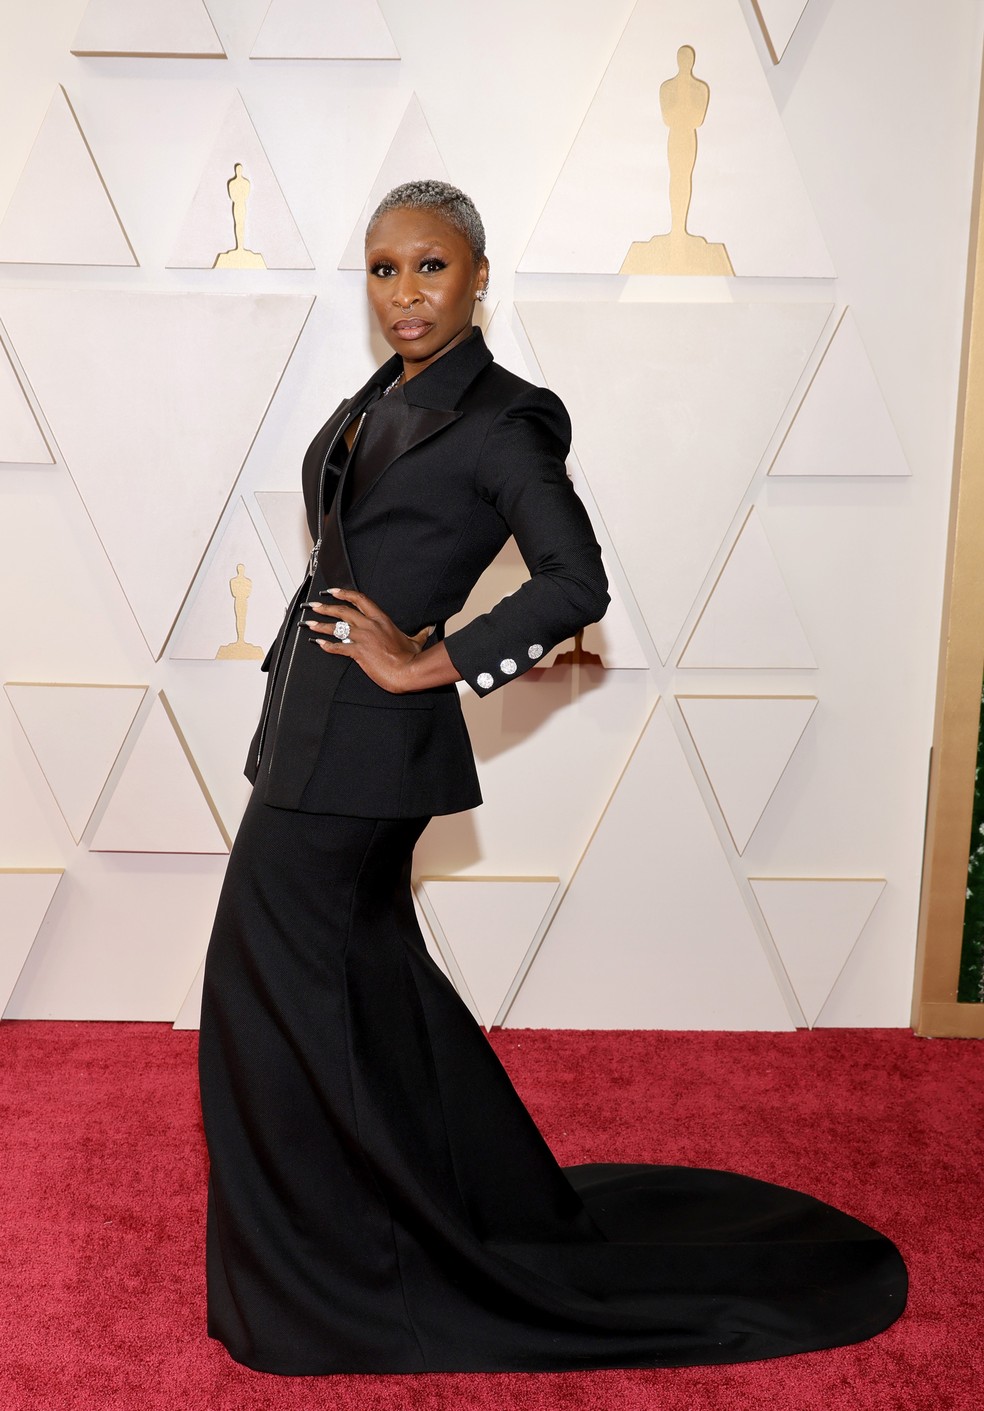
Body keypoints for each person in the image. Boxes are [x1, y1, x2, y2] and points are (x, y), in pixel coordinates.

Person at [198, 180, 906, 1375]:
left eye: (429, 268)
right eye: (382, 270)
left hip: (360, 761)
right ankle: (448, 1196)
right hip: (312, 740)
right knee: (374, 989)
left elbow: (575, 585)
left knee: (263, 1011)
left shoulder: (506, 418)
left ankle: (330, 1274)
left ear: (479, 275)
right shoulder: (386, 393)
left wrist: (428, 664)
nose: (404, 293)